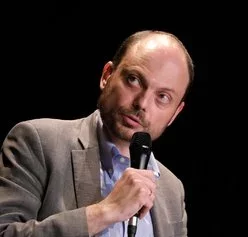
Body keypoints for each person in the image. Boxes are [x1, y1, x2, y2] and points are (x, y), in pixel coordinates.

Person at [0, 30, 194, 237]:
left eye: (163, 97)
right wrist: (106, 211)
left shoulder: (172, 190)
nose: (142, 103)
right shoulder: (38, 141)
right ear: (107, 75)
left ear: (175, 113)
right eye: (134, 80)